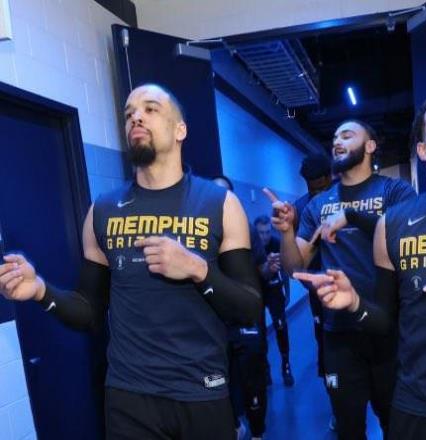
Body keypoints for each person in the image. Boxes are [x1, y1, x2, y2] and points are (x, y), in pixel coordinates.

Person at [0, 83, 262, 440]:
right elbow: (89, 312)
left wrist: (198, 269)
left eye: (150, 109)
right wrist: (40, 291)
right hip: (129, 398)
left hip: (202, 392)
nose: (136, 117)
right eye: (129, 114)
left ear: (180, 130)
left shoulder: (221, 204)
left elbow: (249, 308)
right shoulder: (102, 210)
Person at [296, 85, 426, 440]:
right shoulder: (392, 224)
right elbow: (384, 320)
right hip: (416, 405)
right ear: (422, 149)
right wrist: (355, 303)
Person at [266, 119, 415, 439]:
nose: (337, 141)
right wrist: (287, 233)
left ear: (370, 145)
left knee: (397, 424)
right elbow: (294, 266)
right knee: (348, 428)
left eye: (347, 135)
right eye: (334, 137)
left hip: (389, 329)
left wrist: (352, 215)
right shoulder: (318, 205)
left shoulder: (395, 191)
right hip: (339, 334)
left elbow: (405, 240)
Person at [212, 175, 268, 440]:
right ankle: (234, 424)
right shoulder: (200, 231)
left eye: (223, 194)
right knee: (220, 381)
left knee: (252, 380)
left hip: (246, 320)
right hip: (215, 321)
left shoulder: (246, 229)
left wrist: (271, 269)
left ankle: (257, 432)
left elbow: (261, 269)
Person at [293, 153, 334, 379]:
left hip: (351, 282)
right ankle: (330, 381)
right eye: (312, 189)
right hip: (317, 286)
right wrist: (310, 284)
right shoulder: (299, 209)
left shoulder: (344, 199)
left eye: (321, 188)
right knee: (323, 336)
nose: (317, 194)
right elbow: (297, 260)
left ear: (330, 178)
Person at [254, 214, 294, 386]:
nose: (264, 236)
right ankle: (265, 368)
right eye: (261, 233)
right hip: (257, 291)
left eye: (267, 232)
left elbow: (284, 270)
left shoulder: (277, 243)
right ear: (256, 232)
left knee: (280, 326)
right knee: (260, 331)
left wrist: (287, 292)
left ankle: (286, 365)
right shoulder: (251, 245)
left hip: (275, 289)